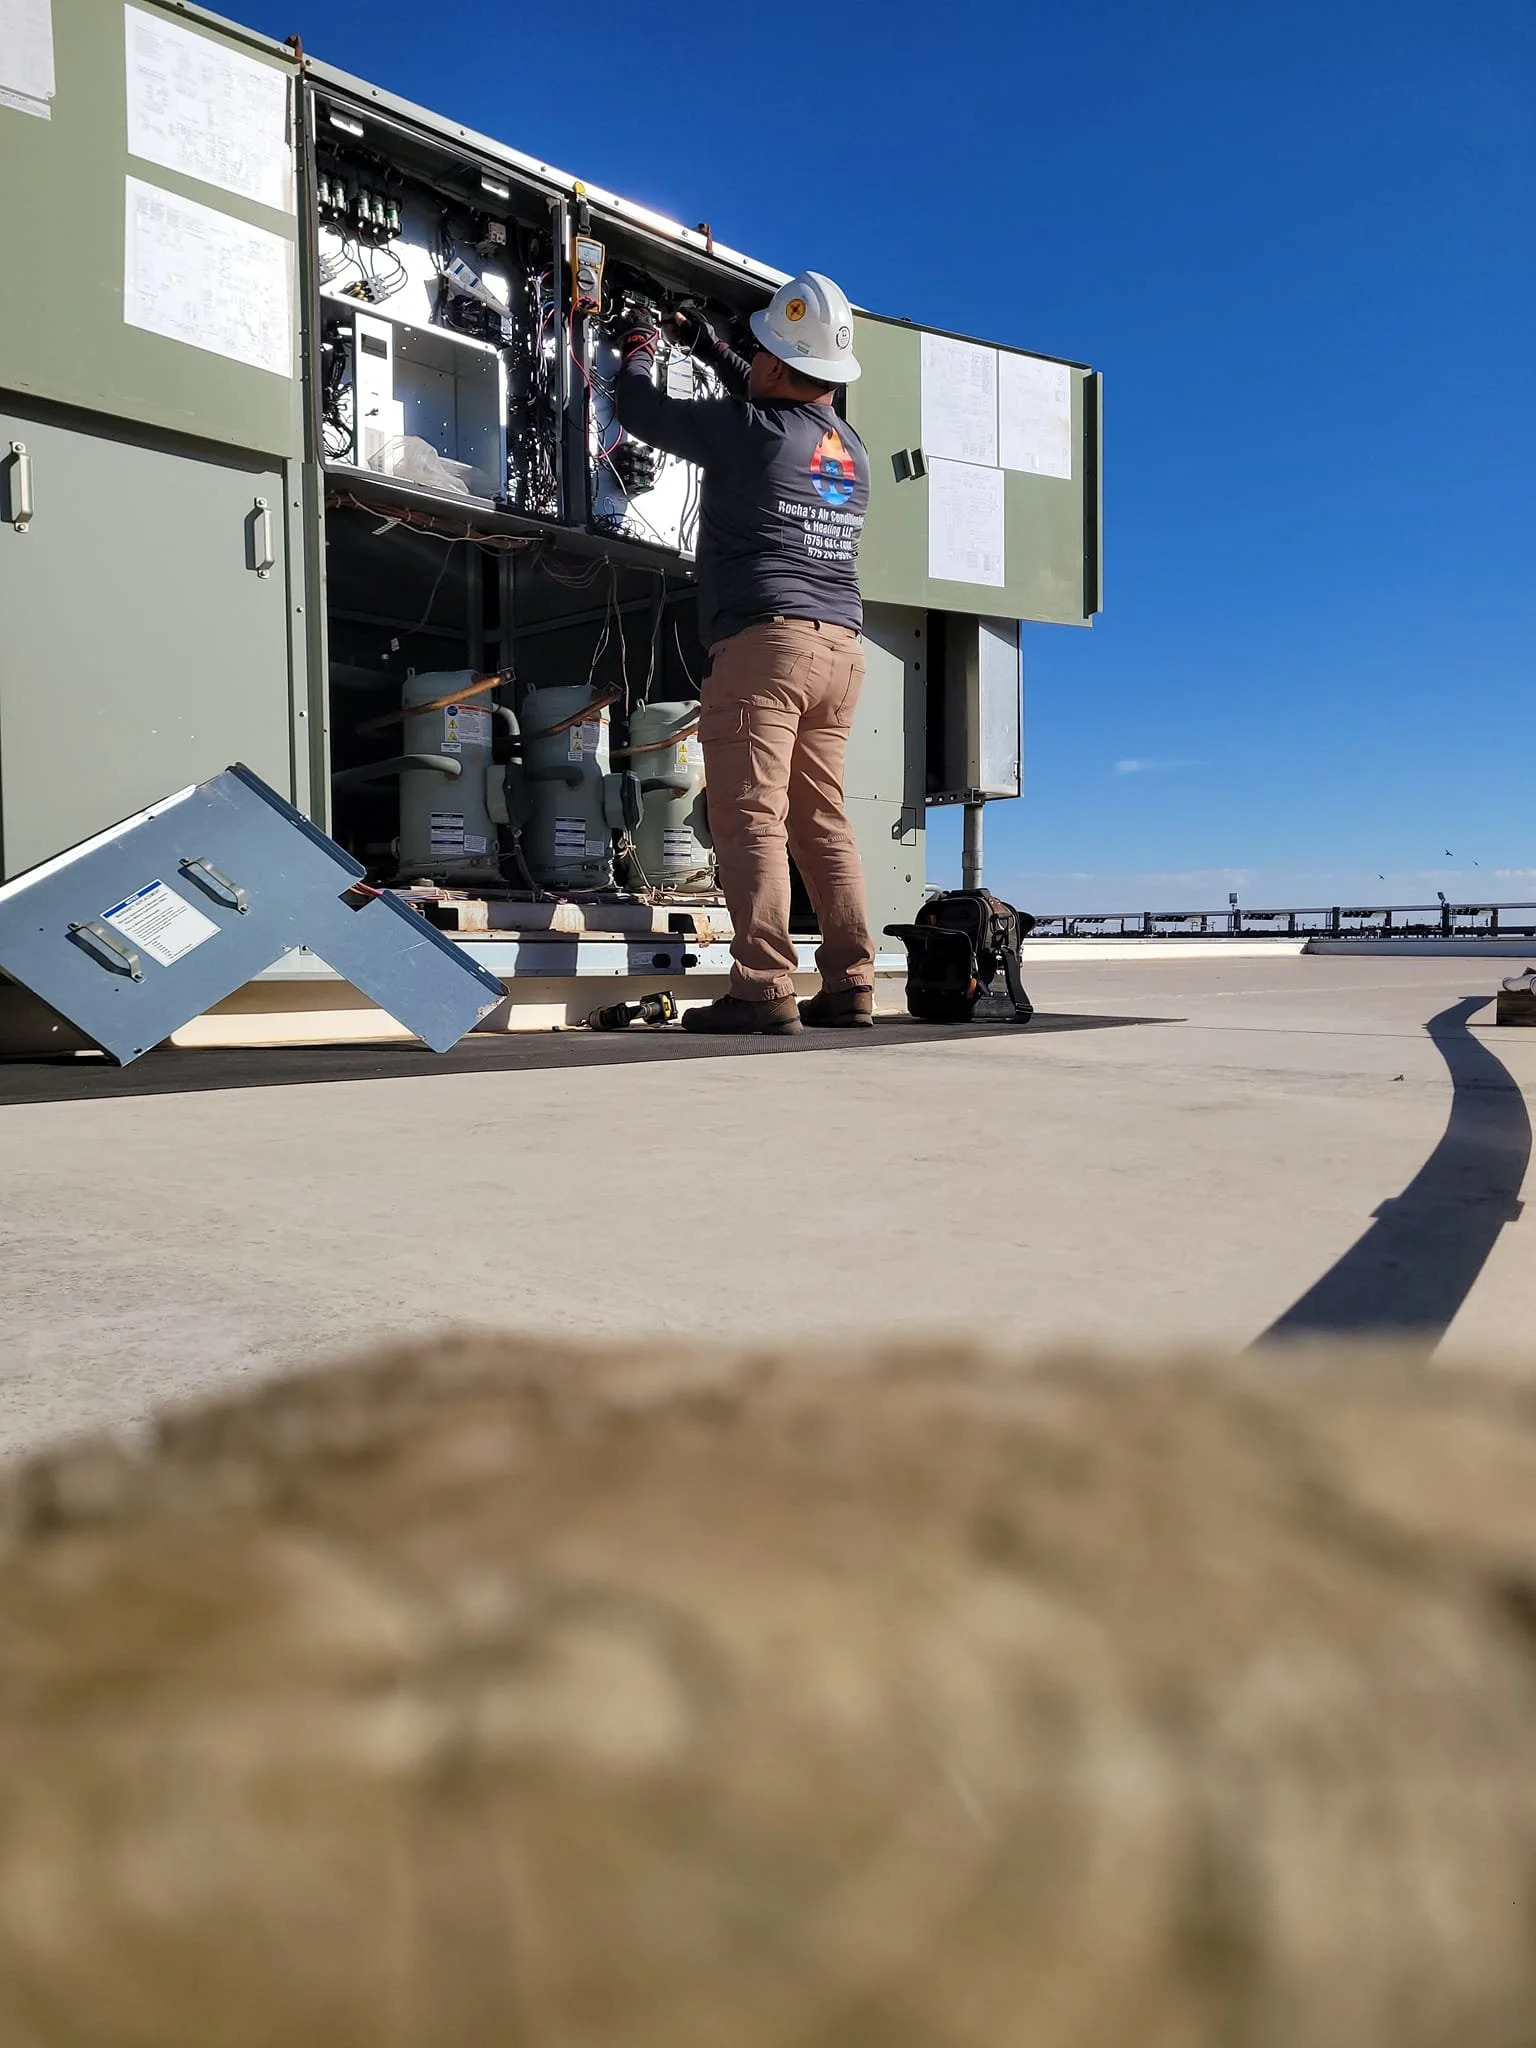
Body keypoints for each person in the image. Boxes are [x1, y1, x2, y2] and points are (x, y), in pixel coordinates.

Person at [615, 271, 876, 1035]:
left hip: (767, 647)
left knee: (749, 817)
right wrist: (711, 344)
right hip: (840, 650)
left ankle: (763, 988)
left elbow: (640, 409)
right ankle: (852, 981)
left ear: (776, 362)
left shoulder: (747, 429)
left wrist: (637, 345)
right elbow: (767, 392)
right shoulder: (845, 444)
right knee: (820, 820)